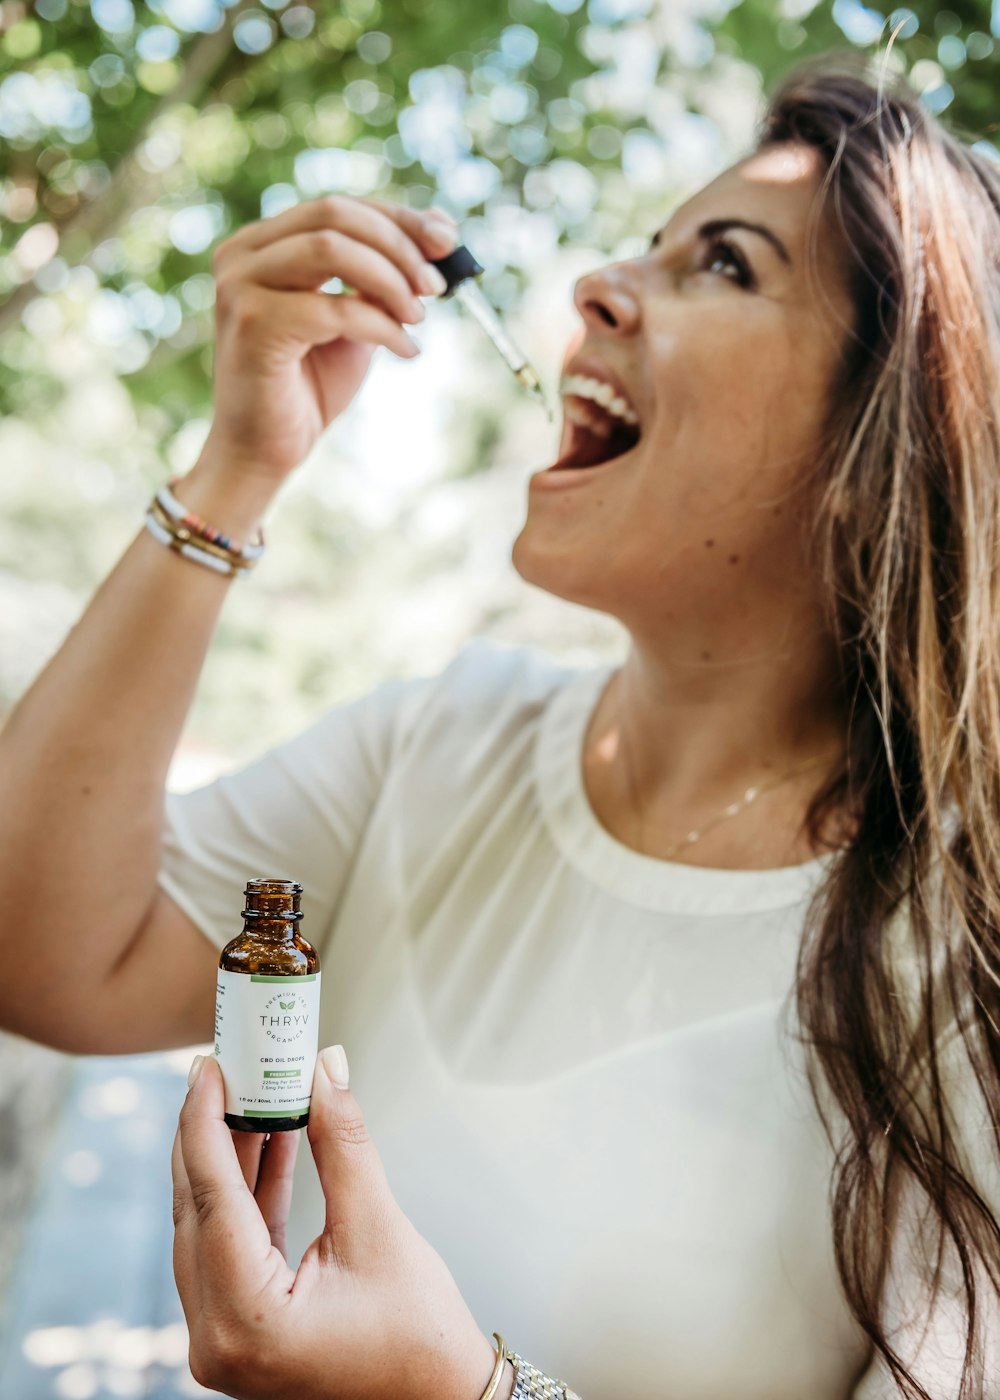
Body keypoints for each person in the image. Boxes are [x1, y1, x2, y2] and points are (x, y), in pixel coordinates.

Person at [1, 55, 998, 1400]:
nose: (594, 286)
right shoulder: (439, 740)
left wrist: (466, 1392)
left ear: (884, 446)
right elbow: (44, 954)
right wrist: (239, 465)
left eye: (726, 265)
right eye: (647, 246)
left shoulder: (961, 973)